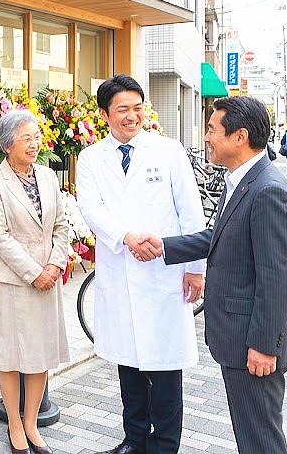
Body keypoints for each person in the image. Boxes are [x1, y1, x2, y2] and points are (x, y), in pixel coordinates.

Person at [135, 97, 287, 454]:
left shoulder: (268, 190)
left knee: (260, 437)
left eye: (212, 129)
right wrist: (165, 246)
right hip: (239, 337)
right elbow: (221, 235)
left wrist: (262, 346)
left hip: (253, 343)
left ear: (240, 137)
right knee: (251, 431)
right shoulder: (240, 179)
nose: (207, 137)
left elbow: (278, 278)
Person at [75, 75, 206, 454]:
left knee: (165, 372)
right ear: (105, 115)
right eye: (122, 110)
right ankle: (134, 441)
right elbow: (90, 208)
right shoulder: (91, 158)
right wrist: (127, 237)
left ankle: (164, 445)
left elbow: (190, 212)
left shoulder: (168, 151)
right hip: (120, 271)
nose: (132, 117)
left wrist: (195, 268)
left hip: (165, 273)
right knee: (128, 369)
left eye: (138, 108)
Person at [0, 110, 70, 454]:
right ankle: (15, 427)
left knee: (40, 355)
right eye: (26, 138)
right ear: (7, 145)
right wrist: (35, 272)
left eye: (36, 136)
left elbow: (61, 225)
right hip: (15, 283)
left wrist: (54, 264)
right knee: (13, 357)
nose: (35, 143)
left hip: (49, 277)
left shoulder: (48, 176)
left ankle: (32, 424)